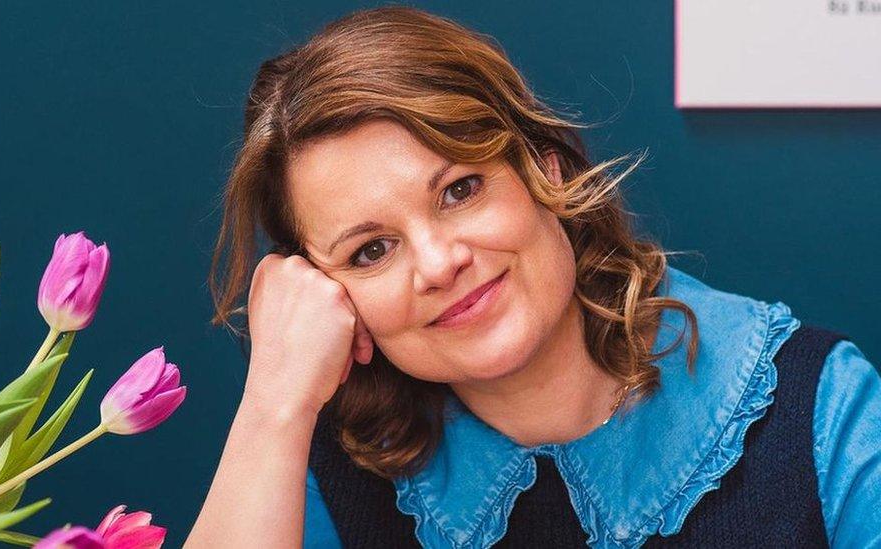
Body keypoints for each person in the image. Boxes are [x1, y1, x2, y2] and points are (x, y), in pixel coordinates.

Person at [186, 6, 881, 548]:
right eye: (372, 251)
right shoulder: (320, 474)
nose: (439, 263)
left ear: (545, 170)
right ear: (330, 295)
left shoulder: (817, 406)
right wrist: (274, 402)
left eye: (459, 190)